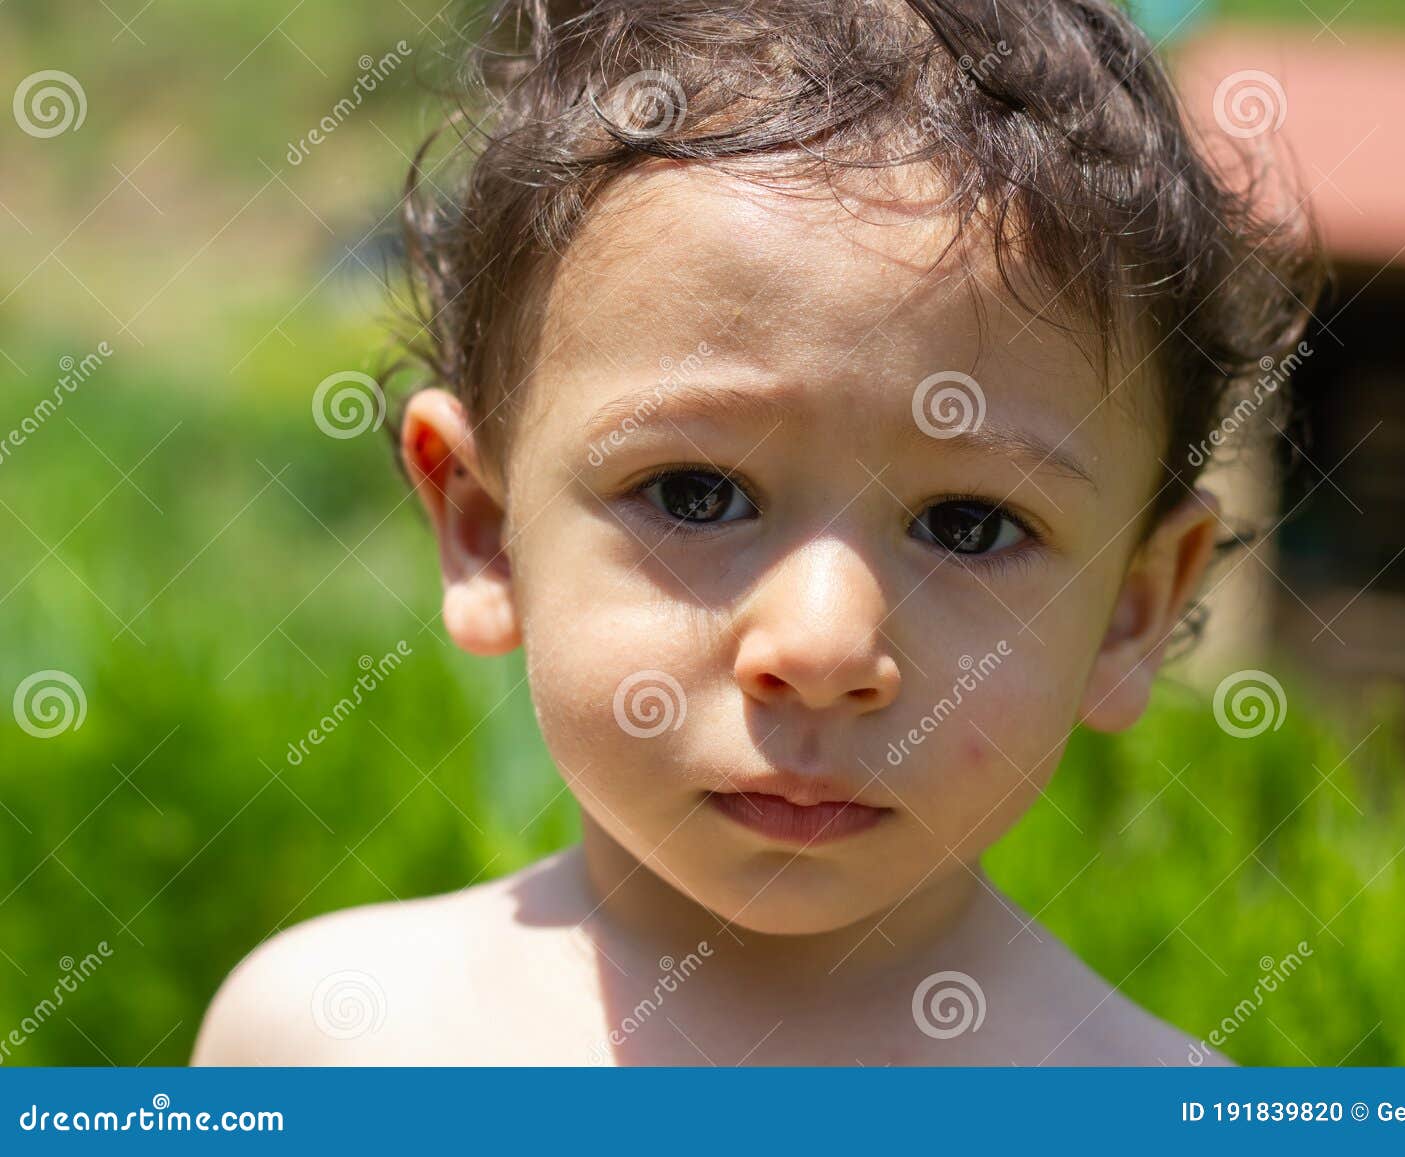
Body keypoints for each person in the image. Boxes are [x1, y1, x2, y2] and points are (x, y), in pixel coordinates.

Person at [194, 0, 1319, 1065]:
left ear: (1133, 605)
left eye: (970, 522)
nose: (824, 648)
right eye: (694, 494)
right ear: (486, 529)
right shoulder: (326, 1039)